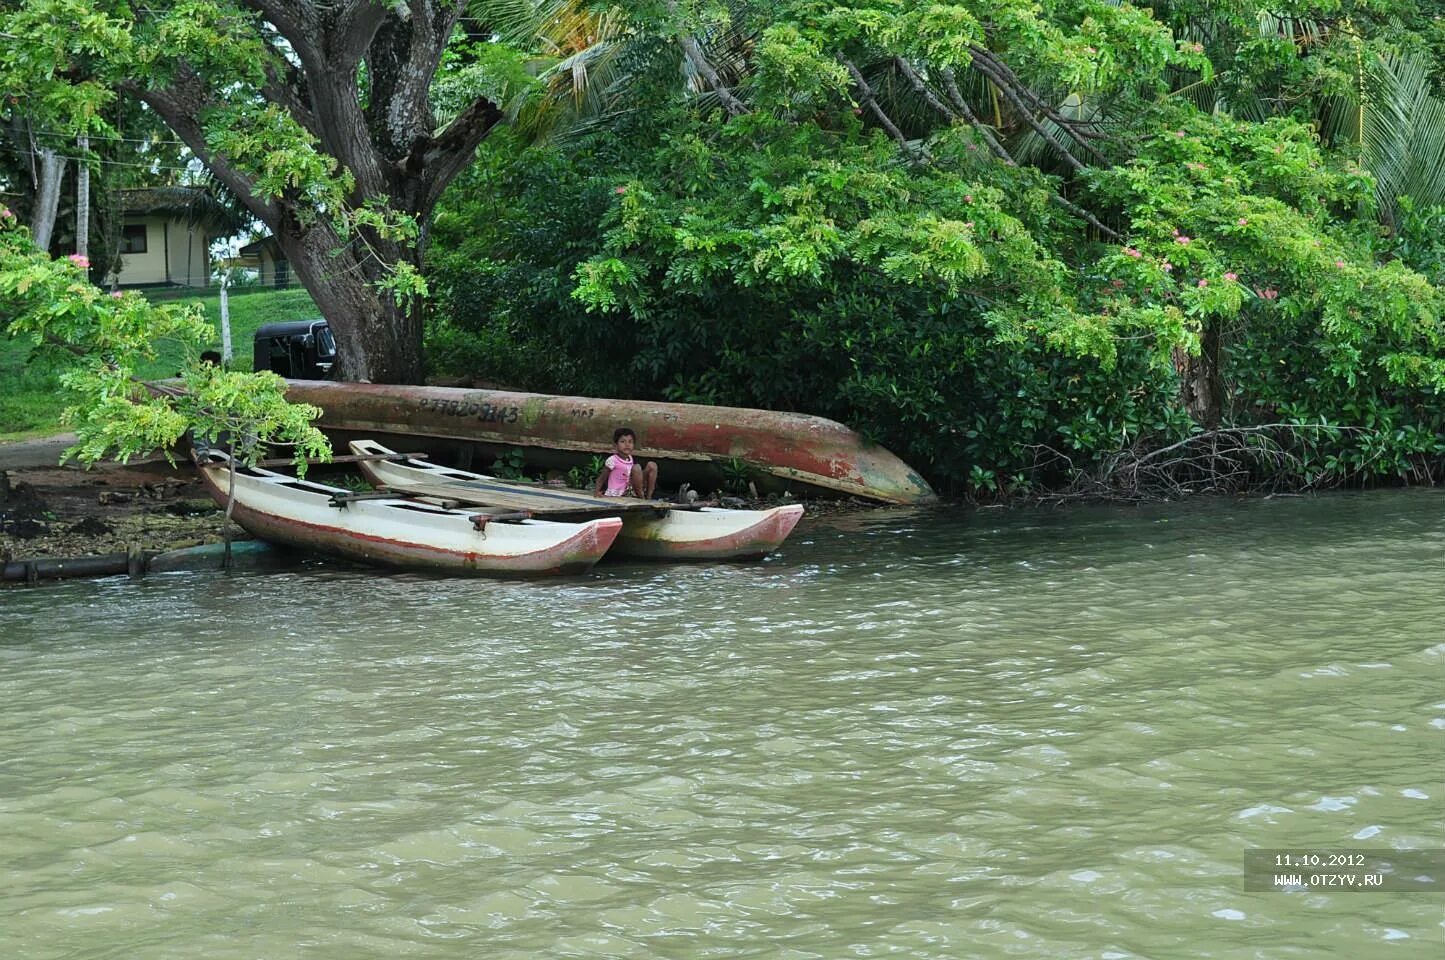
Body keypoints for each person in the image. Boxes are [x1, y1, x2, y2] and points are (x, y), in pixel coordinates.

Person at [594, 426, 658, 499]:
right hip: (618, 494)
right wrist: (596, 493)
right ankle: (642, 498)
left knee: (652, 465)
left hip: (630, 490)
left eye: (630, 442)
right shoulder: (612, 460)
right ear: (615, 445)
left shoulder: (630, 458)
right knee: (636, 468)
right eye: (623, 442)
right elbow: (601, 478)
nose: (627, 445)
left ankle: (649, 497)